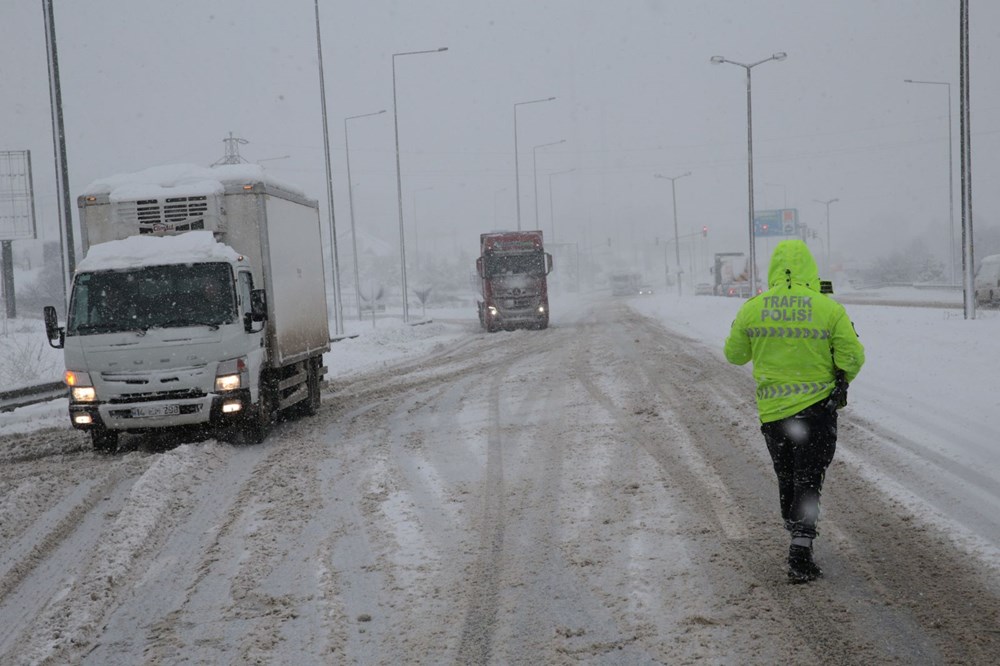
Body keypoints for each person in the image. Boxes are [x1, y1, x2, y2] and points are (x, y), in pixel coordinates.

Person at [724, 239, 865, 583]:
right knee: (809, 478)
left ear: (772, 268)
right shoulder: (827, 309)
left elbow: (735, 354)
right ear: (810, 268)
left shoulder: (753, 308)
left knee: (787, 476)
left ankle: (795, 526)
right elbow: (853, 357)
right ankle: (800, 551)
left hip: (774, 415)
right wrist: (835, 372)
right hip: (816, 412)